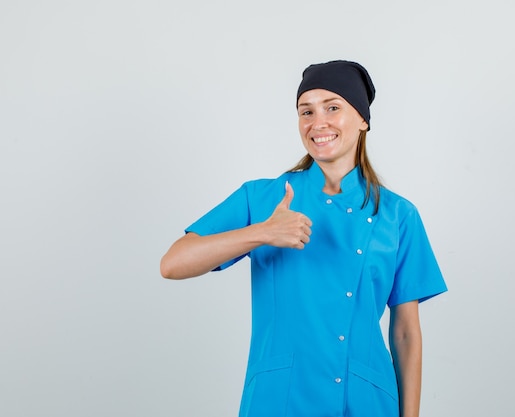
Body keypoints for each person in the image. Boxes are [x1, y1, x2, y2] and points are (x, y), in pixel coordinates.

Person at [160, 60, 447, 417]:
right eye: (305, 111)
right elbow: (173, 263)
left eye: (332, 107)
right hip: (280, 400)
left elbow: (405, 332)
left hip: (366, 401)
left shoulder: (398, 215)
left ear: (362, 119)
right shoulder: (263, 198)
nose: (317, 122)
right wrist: (262, 232)